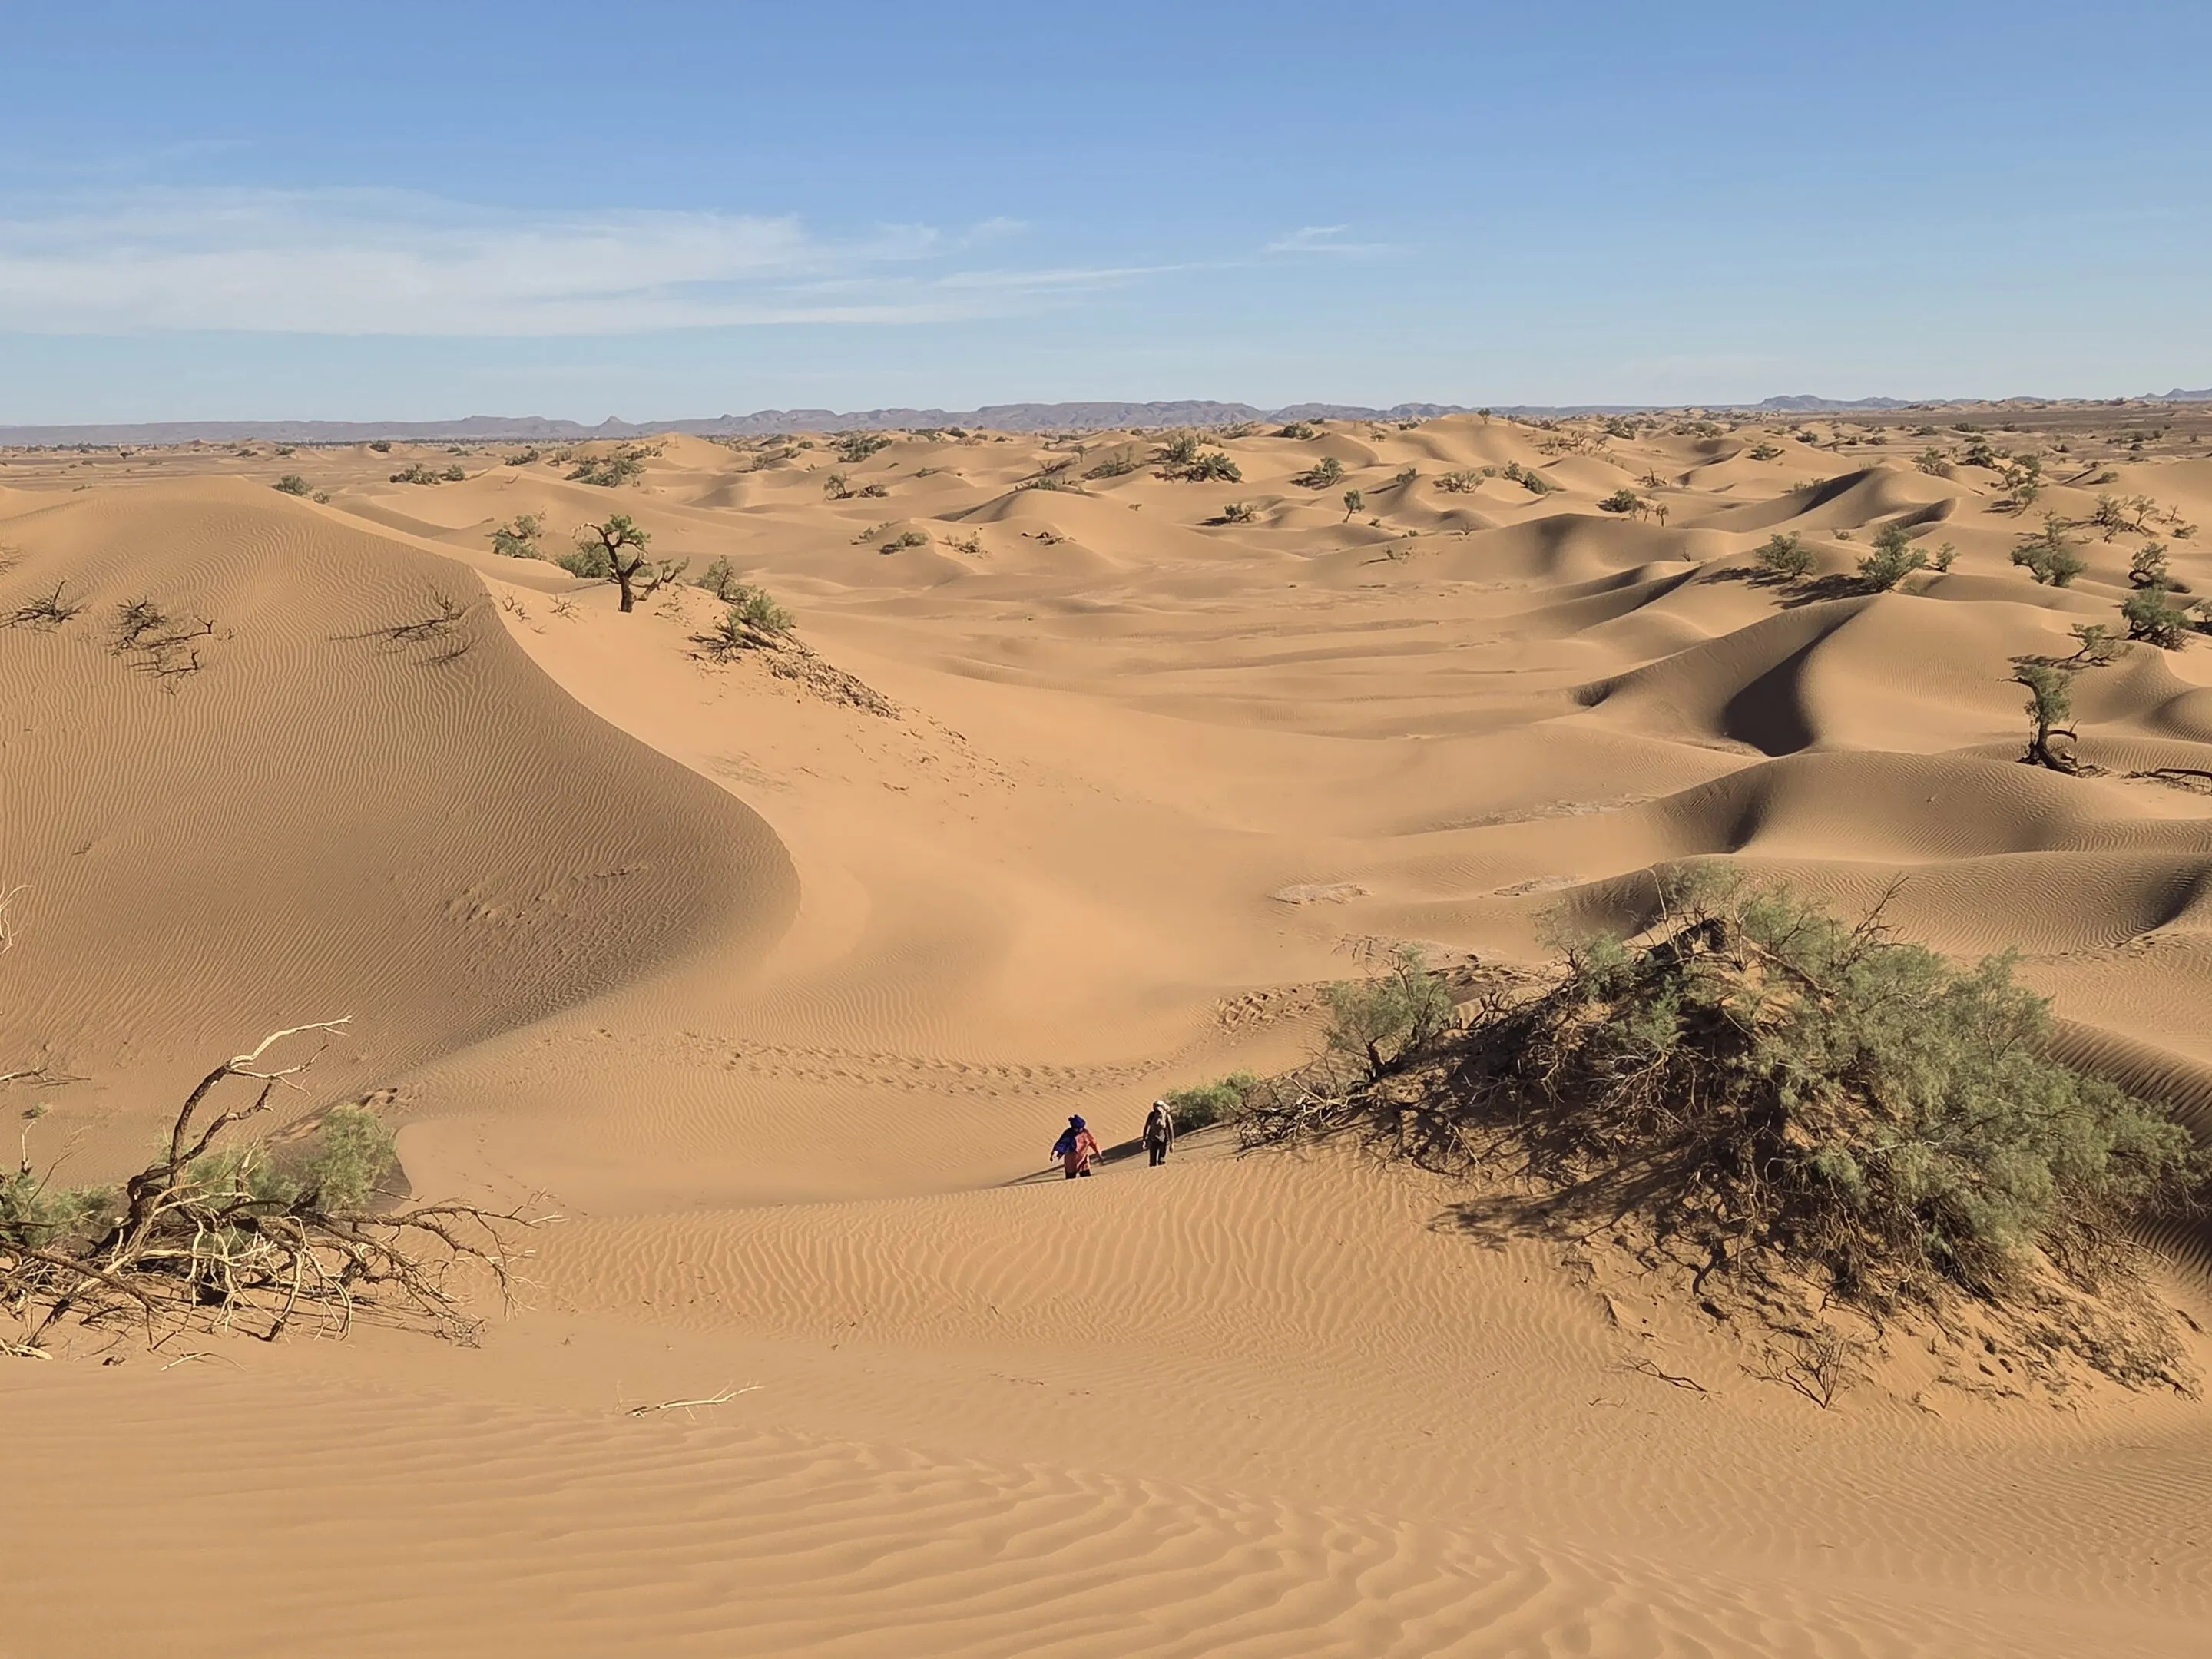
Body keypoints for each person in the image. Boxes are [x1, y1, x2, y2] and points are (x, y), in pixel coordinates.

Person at [1051, 1114, 1100, 1178]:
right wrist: (1055, 1153)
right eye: (1077, 1128)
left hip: (1083, 1159)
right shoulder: (1068, 1133)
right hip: (1071, 1159)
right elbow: (1061, 1143)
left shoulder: (1086, 1133)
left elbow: (1094, 1143)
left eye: (1080, 1128)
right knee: (1070, 1178)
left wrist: (1099, 1153)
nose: (1079, 1129)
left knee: (1086, 1177)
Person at [1142, 1098, 1174, 1167]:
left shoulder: (1166, 1117)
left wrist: (1172, 1144)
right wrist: (1145, 1140)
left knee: (1161, 1161)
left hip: (1163, 1141)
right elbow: (1147, 1127)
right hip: (1153, 1141)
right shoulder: (1152, 1115)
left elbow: (1170, 1130)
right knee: (1152, 1162)